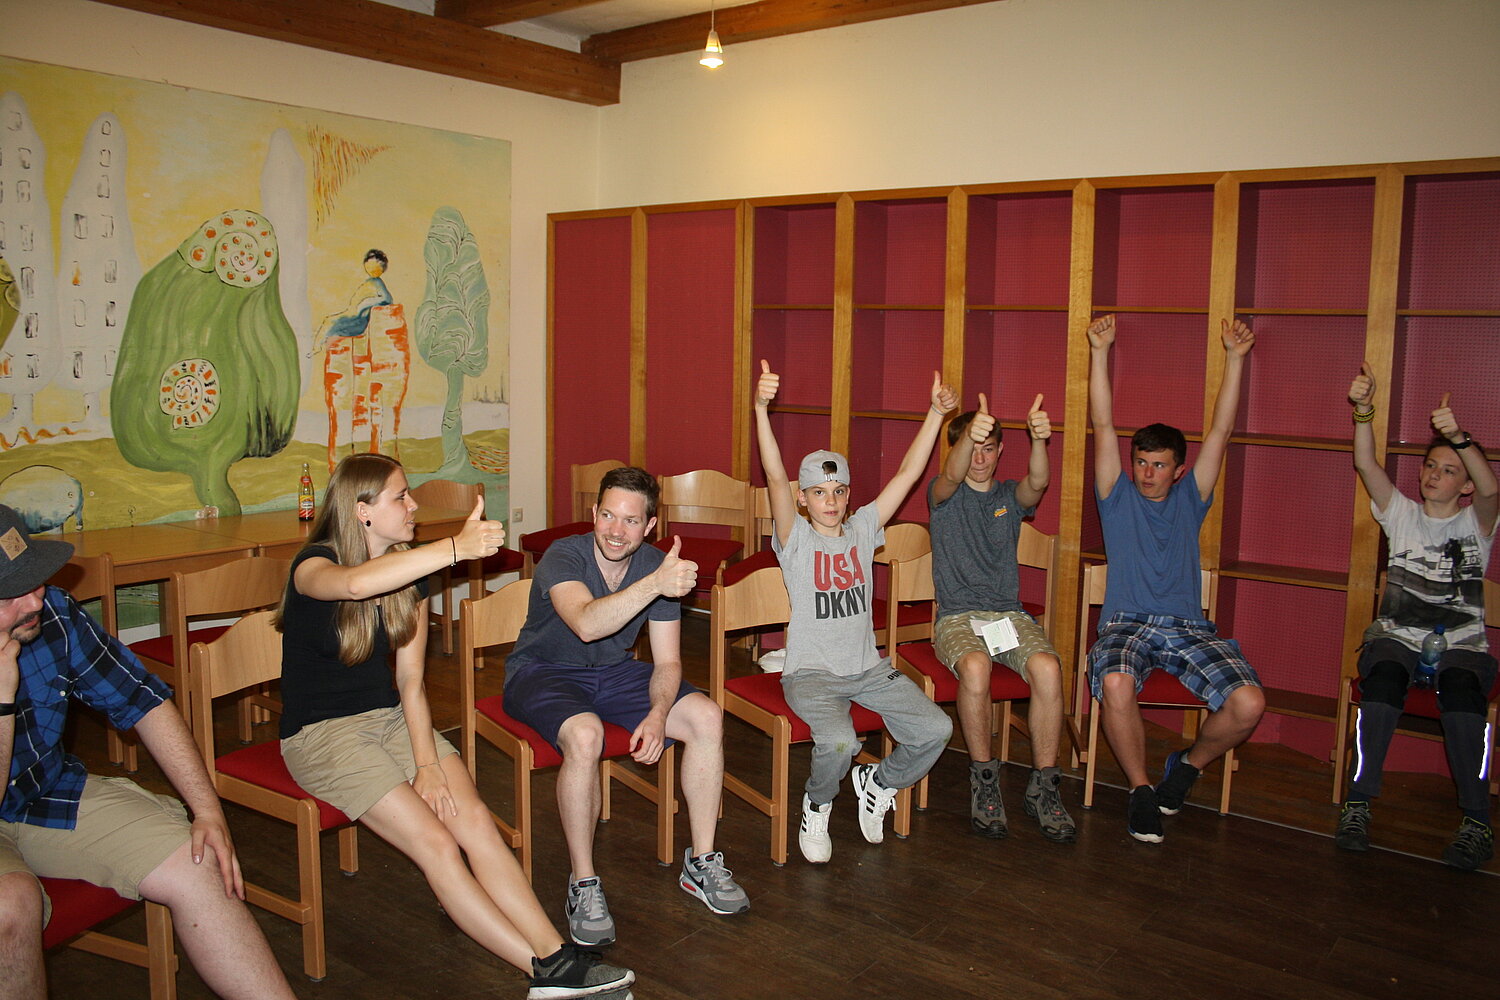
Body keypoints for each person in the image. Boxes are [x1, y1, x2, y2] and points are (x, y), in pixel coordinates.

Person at [275, 453, 633, 999]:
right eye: (401, 496)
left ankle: (554, 951)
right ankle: (543, 973)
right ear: (362, 510)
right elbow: (352, 586)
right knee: (437, 845)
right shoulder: (313, 564)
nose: (413, 504)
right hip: (321, 736)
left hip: (390, 720)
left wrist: (427, 764)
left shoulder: (409, 573)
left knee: (476, 823)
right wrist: (454, 549)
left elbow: (411, 681)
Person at [0, 504, 298, 1000]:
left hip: (45, 792)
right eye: (12, 592)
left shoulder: (52, 611)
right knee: (11, 904)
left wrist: (208, 811)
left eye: (35, 580)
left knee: (200, 860)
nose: (35, 599)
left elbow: (143, 700)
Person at [504, 465, 746, 950]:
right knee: (586, 735)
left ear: (650, 525)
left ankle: (701, 862)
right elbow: (587, 624)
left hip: (614, 673)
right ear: (594, 512)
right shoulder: (565, 555)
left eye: (631, 521)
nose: (616, 531)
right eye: (608, 516)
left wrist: (658, 713)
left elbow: (668, 661)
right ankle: (583, 881)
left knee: (706, 716)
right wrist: (656, 584)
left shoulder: (655, 564)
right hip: (542, 672)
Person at [754, 360, 956, 864]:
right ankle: (817, 804)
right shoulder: (796, 540)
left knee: (936, 729)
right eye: (819, 493)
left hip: (868, 670)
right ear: (803, 500)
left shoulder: (864, 529)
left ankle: (878, 783)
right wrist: (760, 409)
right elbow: (774, 476)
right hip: (812, 675)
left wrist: (935, 414)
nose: (830, 501)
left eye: (839, 491)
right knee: (841, 741)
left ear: (849, 495)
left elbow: (908, 474)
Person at [1086, 314, 1266, 844]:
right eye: (1141, 462)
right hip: (1126, 624)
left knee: (1249, 703)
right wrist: (1100, 351)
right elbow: (1102, 425)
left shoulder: (1191, 499)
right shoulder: (1116, 497)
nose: (1147, 473)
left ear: (1179, 470)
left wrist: (1235, 359)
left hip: (1188, 628)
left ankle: (1187, 766)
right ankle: (1141, 790)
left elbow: (1221, 433)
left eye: (1159, 465)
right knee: (1115, 681)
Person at [1337, 369, 1497, 870]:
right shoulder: (1400, 514)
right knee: (1382, 682)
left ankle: (1477, 821)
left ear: (1464, 485)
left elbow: (1492, 489)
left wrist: (1459, 437)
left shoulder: (1476, 523)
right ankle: (1358, 804)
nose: (1433, 475)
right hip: (1398, 639)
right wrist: (1363, 411)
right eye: (1430, 465)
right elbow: (1366, 463)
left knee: (1464, 697)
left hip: (1462, 647)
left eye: (1448, 470)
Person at [928, 390, 1075, 843]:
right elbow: (951, 474)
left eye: (989, 448)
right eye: (973, 449)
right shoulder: (943, 496)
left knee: (1048, 668)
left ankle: (1044, 786)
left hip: (1005, 616)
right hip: (956, 616)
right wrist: (967, 437)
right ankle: (985, 779)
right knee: (975, 667)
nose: (980, 458)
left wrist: (1039, 440)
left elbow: (1038, 483)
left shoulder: (1009, 497)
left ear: (1000, 451)